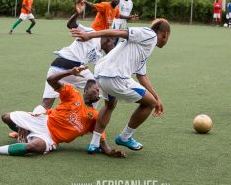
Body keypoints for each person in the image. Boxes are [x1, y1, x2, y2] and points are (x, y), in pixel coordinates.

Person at [0, 66, 126, 158]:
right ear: (86, 89)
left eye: (100, 91)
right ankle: (22, 131)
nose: (99, 93)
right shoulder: (73, 94)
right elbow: (51, 80)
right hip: (43, 121)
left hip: (51, 137)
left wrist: (111, 152)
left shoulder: (95, 116)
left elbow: (102, 141)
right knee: (6, 117)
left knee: (33, 147)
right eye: (96, 89)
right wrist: (69, 72)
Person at [71, 18, 170, 153]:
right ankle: (125, 136)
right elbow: (119, 31)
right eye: (167, 37)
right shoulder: (150, 35)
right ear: (165, 34)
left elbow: (142, 76)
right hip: (115, 76)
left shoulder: (142, 47)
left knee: (110, 105)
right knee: (150, 103)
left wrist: (157, 96)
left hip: (101, 74)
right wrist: (89, 35)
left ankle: (94, 144)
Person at [32, 0, 115, 114]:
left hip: (57, 66)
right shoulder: (91, 33)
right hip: (69, 64)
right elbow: (71, 24)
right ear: (109, 40)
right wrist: (77, 13)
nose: (112, 48)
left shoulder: (99, 54)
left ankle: (29, 123)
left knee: (46, 103)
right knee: (99, 88)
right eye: (113, 44)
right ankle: (89, 116)